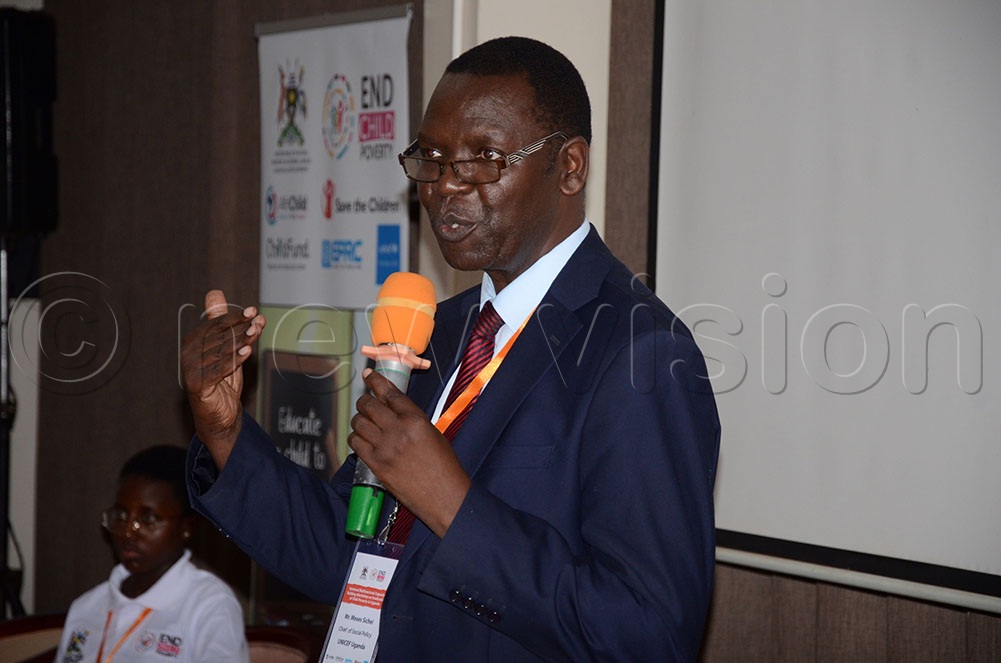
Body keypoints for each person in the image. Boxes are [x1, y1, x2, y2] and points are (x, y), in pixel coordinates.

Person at [181, 36, 720, 661]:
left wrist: (452, 504)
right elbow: (342, 549)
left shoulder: (639, 354)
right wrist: (223, 430)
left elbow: (649, 633)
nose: (444, 187)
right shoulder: (435, 330)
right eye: (432, 158)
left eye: (484, 159)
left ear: (570, 167)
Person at [54, 445, 248, 663]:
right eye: (121, 515)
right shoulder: (87, 607)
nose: (127, 532)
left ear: (187, 527)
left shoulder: (209, 606)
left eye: (148, 519)